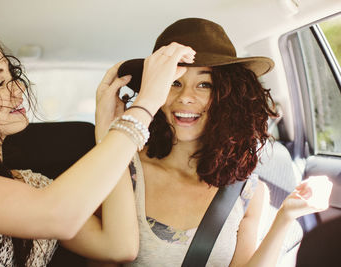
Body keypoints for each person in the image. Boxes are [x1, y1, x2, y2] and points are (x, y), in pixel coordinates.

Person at [0, 24, 196, 266]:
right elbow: (56, 216)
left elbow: (118, 245)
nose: (18, 90)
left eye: (13, 75)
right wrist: (146, 105)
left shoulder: (33, 186)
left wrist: (106, 133)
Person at [108, 18, 332, 267]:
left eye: (204, 84)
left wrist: (286, 216)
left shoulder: (248, 191)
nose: (186, 98)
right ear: (155, 90)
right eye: (174, 83)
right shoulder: (123, 170)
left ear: (227, 95)